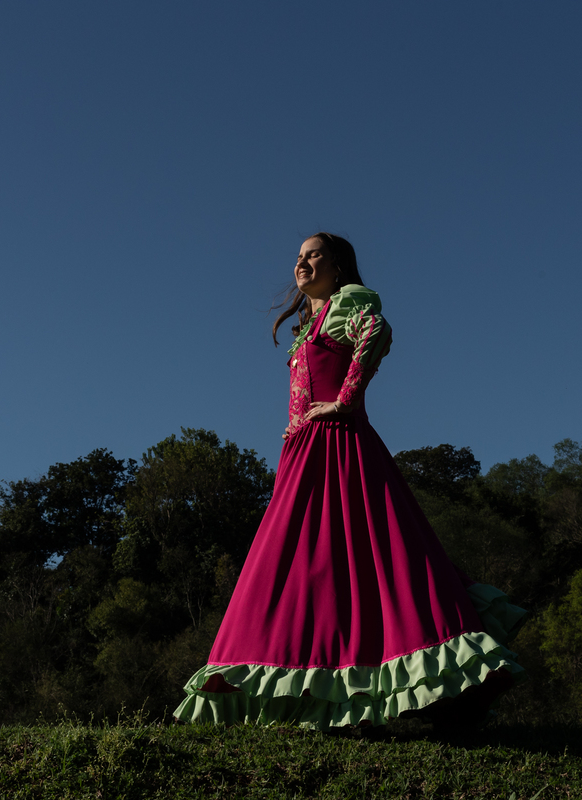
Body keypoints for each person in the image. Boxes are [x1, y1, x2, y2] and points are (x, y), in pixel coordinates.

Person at [174, 232, 525, 730]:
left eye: (312, 254)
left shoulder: (347, 303)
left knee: (364, 558)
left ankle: (396, 686)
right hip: (304, 452)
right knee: (311, 566)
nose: (301, 263)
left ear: (337, 264)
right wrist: (299, 423)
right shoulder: (310, 325)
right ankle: (329, 691)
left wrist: (344, 399)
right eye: (298, 257)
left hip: (339, 446)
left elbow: (376, 330)